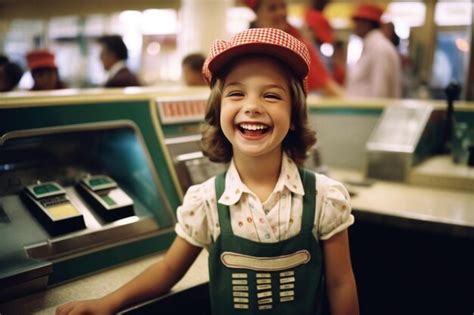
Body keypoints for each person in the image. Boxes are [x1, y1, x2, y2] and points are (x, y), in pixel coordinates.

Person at [56, 28, 359, 315]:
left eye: (271, 95)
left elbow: (340, 282)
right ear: (217, 111)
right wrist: (108, 303)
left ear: (294, 116)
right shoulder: (205, 202)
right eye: (236, 94)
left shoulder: (324, 197)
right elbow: (168, 270)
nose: (252, 106)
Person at [244, 0, 344, 97]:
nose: (281, 13)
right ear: (258, 14)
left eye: (283, 6)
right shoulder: (246, 46)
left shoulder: (297, 42)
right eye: (272, 8)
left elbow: (327, 85)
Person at [345, 3, 401, 98]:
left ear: (367, 24)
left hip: (371, 112)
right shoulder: (372, 46)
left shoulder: (379, 48)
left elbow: (380, 92)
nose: (355, 26)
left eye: (358, 22)